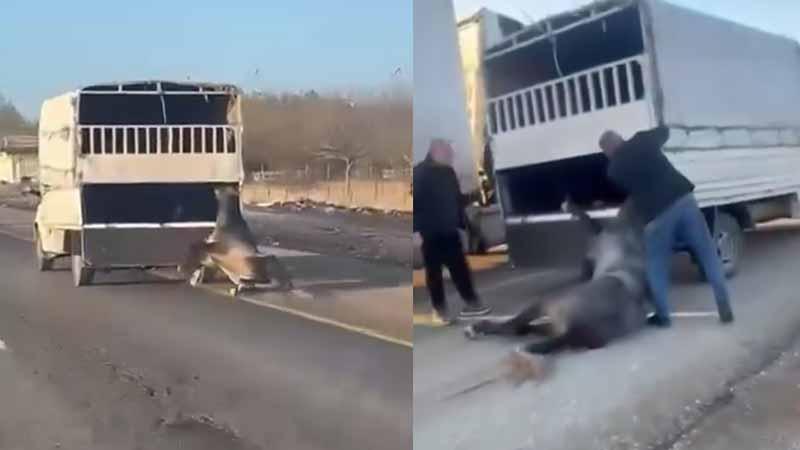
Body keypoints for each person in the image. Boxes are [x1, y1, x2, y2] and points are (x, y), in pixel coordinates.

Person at [599, 126, 734, 327]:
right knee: (708, 254)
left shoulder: (614, 170)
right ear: (620, 138)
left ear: (607, 152)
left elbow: (631, 186)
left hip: (657, 215)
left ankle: (663, 316)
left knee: (656, 265)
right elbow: (664, 132)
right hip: (684, 201)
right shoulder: (642, 139)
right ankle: (724, 307)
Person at [413, 139, 492, 323]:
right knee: (434, 272)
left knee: (460, 268)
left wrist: (474, 196)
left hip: (449, 230)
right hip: (430, 232)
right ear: (436, 152)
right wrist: (416, 231)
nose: (452, 155)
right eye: (448, 152)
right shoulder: (420, 173)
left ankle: (473, 303)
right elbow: (415, 203)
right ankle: (440, 310)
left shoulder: (448, 172)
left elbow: (456, 199)